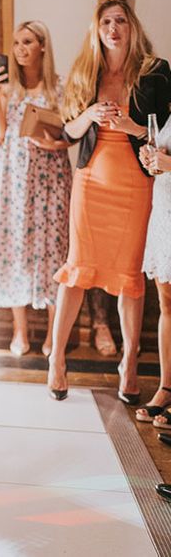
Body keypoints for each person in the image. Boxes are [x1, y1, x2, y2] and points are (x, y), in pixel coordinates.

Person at [47, 0, 171, 401]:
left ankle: (129, 364)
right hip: (91, 183)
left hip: (136, 185)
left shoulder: (155, 72)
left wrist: (131, 124)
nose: (113, 28)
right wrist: (91, 115)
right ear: (96, 30)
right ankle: (57, 360)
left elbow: (161, 135)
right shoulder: (86, 71)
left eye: (120, 21)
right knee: (77, 269)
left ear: (132, 28)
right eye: (106, 22)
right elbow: (68, 131)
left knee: (129, 277)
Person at [0, 21, 72, 356]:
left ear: (43, 46)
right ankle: (19, 330)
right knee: (14, 245)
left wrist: (53, 143)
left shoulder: (60, 88)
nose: (21, 49)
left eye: (28, 42)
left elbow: (69, 136)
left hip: (50, 176)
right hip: (12, 175)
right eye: (17, 42)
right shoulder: (11, 88)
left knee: (53, 247)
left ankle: (53, 332)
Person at [136, 112, 171, 425]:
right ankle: (166, 387)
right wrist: (151, 157)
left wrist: (167, 163)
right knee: (166, 304)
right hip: (165, 210)